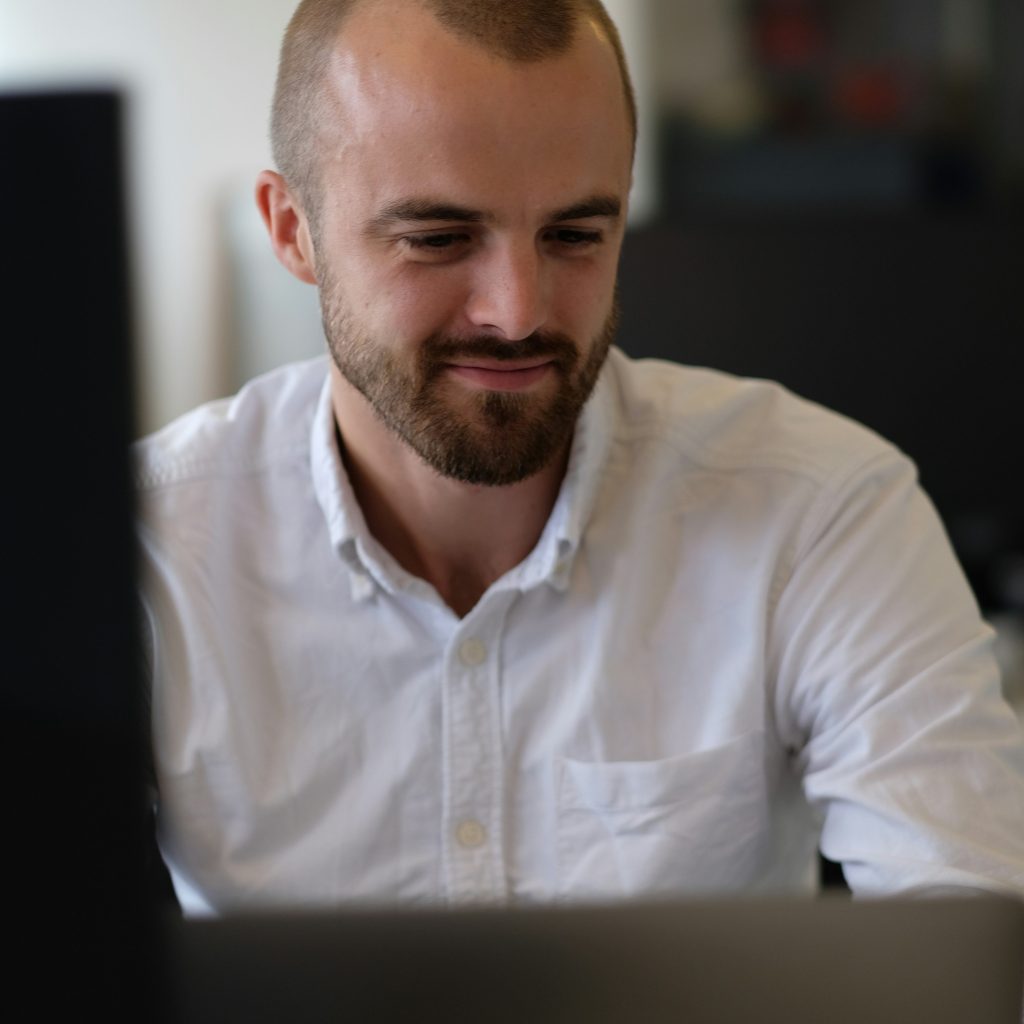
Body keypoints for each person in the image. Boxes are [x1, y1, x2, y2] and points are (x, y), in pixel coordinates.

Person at [136, 0, 1024, 914]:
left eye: (574, 235)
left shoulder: (821, 513)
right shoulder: (145, 547)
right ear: (292, 231)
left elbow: (975, 940)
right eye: (437, 239)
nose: (517, 312)